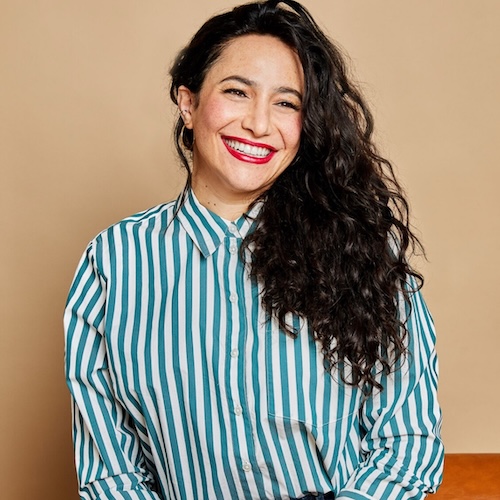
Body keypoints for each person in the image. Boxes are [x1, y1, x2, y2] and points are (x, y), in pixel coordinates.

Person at [64, 1, 444, 499]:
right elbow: (111, 474)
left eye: (287, 103)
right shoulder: (113, 263)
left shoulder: (364, 252)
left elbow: (407, 447)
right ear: (188, 102)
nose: (259, 124)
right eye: (237, 92)